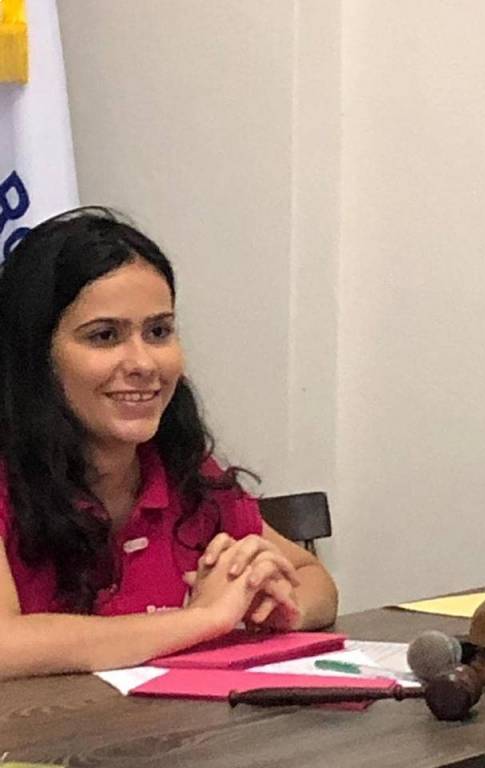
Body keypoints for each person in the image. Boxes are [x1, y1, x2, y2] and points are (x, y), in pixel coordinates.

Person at [0, 207, 338, 679]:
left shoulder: (180, 470)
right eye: (105, 336)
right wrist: (203, 620)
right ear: (35, 356)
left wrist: (275, 605)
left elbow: (314, 580)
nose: (143, 363)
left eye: (158, 331)